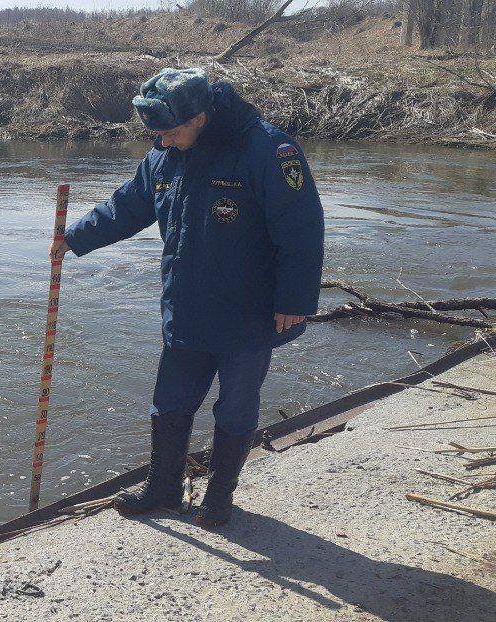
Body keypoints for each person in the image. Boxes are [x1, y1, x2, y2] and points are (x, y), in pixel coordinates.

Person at [50, 67, 324, 528]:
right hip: (187, 307)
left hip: (249, 313)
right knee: (170, 402)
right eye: (155, 134)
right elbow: (127, 207)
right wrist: (74, 238)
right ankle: (162, 488)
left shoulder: (268, 150)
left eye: (170, 132)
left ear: (200, 117)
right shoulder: (163, 155)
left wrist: (293, 301)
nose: (162, 142)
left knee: (235, 407)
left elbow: (302, 230)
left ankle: (219, 497)